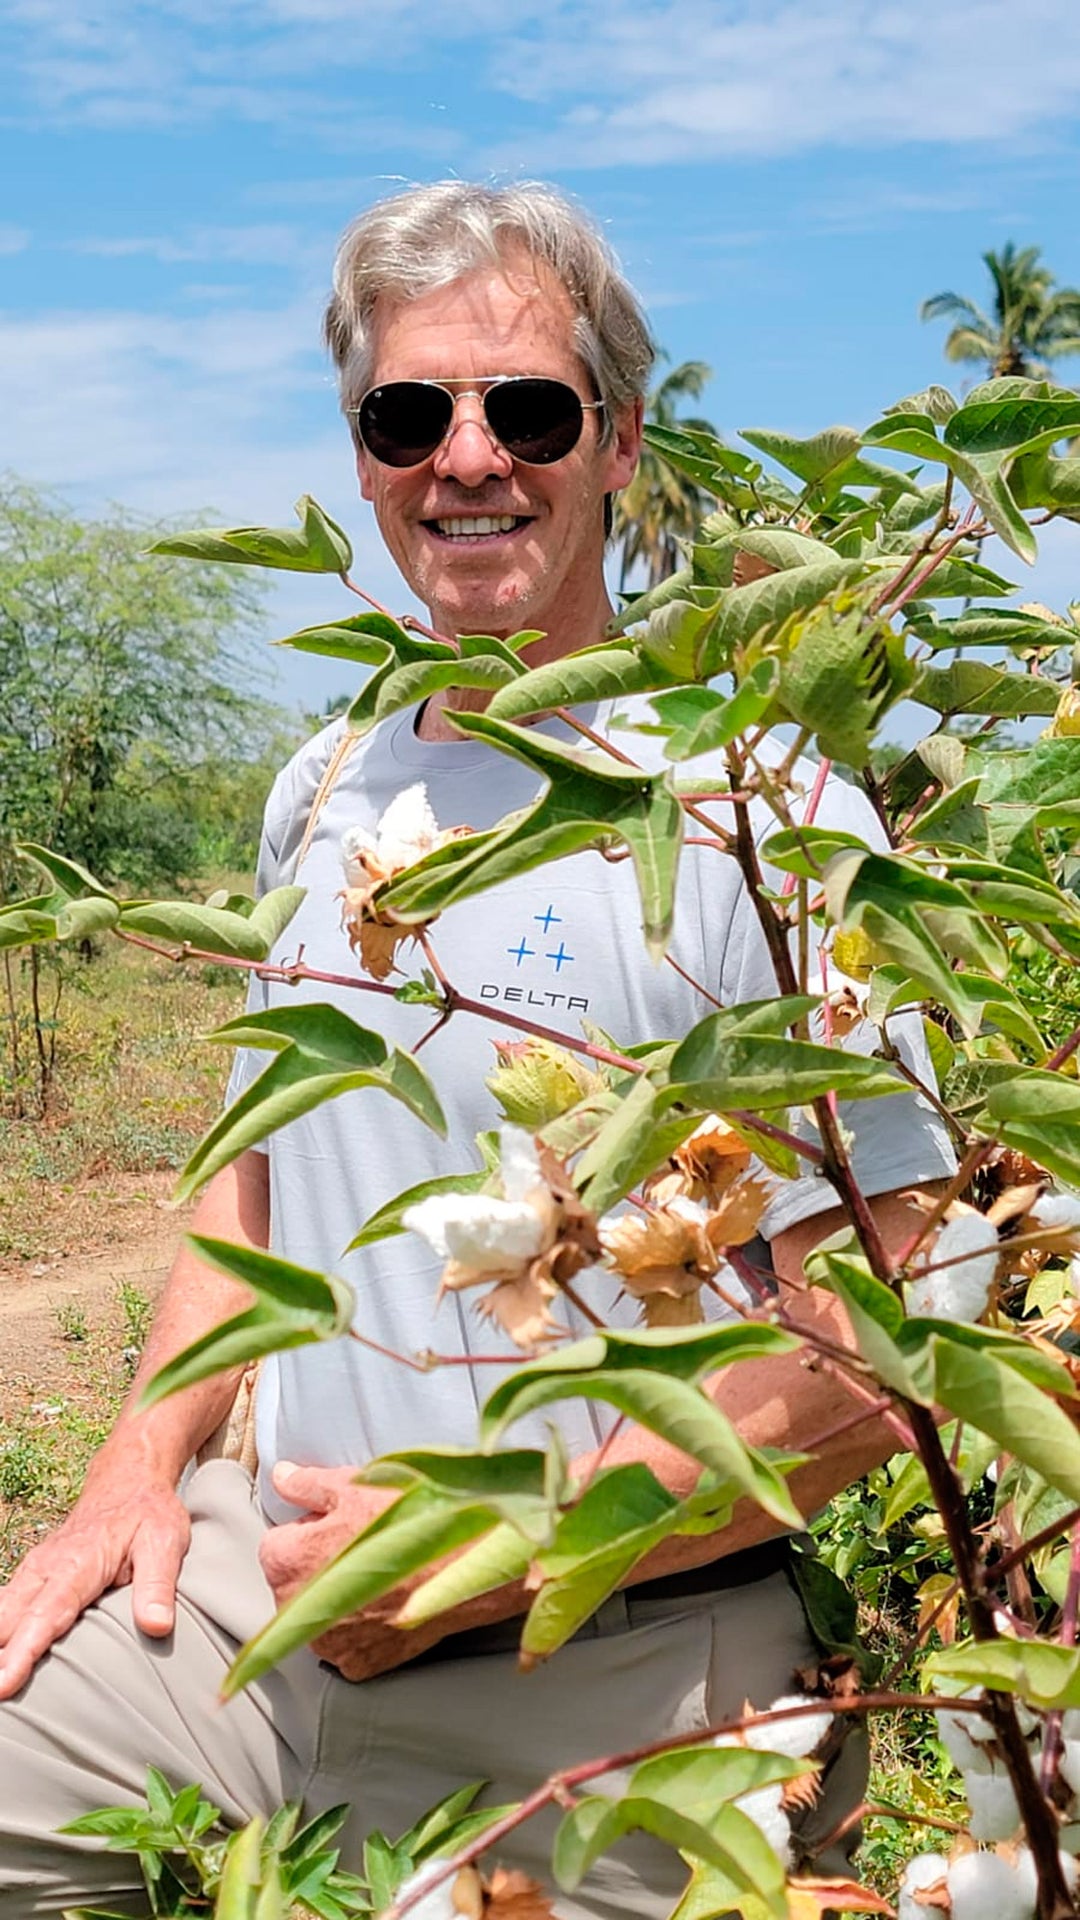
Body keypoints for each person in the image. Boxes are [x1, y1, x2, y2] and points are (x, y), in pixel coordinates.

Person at [0, 182, 956, 1918]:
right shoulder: (331, 783)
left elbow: (886, 1322)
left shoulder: (761, 807)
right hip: (245, 1607)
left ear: (616, 442)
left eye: (525, 408)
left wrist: (519, 1541)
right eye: (408, 414)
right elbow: (253, 1186)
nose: (468, 458)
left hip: (616, 1658)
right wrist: (126, 1479)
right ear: (361, 457)